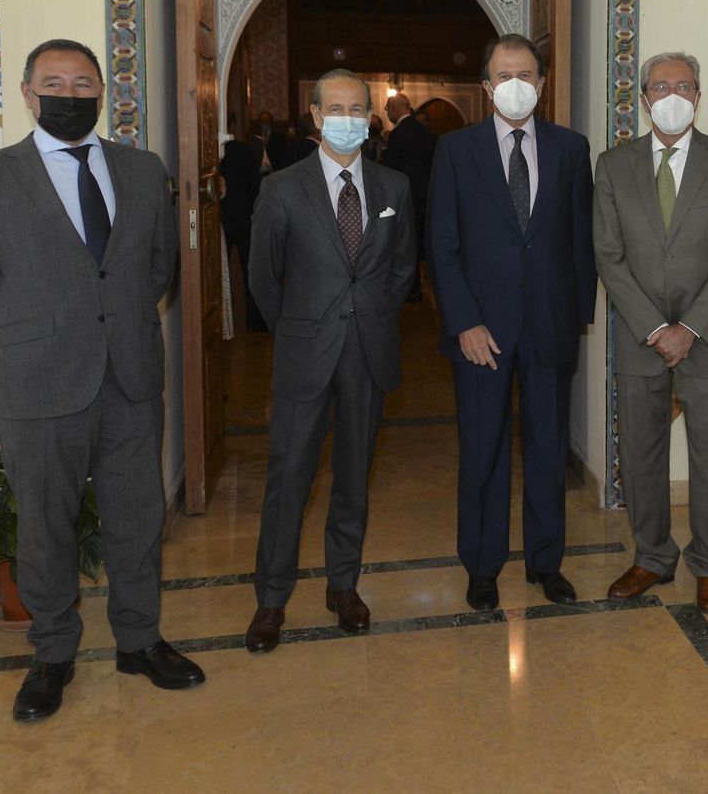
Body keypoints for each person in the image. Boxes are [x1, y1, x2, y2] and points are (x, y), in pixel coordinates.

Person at [0, 38, 203, 721]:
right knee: (46, 526)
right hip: (38, 385)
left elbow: (155, 270)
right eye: (54, 82)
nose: (70, 95)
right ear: (27, 93)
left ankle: (140, 641)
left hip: (130, 379)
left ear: (101, 92)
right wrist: (20, 348)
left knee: (138, 521)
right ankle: (53, 654)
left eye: (84, 83)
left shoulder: (143, 171)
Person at [243, 68, 417, 652]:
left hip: (367, 353)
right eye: (334, 108)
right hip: (304, 354)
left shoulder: (394, 188)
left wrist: (370, 312)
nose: (346, 118)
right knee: (288, 479)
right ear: (316, 117)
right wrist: (294, 328)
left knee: (352, 480)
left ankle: (343, 586)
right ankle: (271, 599)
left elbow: (401, 269)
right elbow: (262, 277)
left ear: (369, 116)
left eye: (356, 109)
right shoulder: (282, 189)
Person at [428, 34, 596, 611]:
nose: (516, 84)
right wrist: (464, 323)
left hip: (549, 325)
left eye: (526, 74)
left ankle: (546, 562)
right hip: (482, 332)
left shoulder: (573, 149)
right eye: (504, 75)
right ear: (486, 86)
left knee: (548, 448)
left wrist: (578, 318)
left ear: (543, 83)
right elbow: (442, 247)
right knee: (483, 449)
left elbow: (580, 240)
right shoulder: (455, 151)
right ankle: (481, 564)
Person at [593, 51, 708, 615]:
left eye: (684, 86)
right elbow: (609, 258)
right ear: (642, 99)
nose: (672, 96)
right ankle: (653, 557)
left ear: (700, 96)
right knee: (641, 454)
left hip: (706, 338)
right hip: (640, 337)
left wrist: (687, 327)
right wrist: (655, 328)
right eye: (660, 87)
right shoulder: (612, 165)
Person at [382, 93, 437, 300]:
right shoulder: (426, 133)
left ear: (395, 109)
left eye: (388, 109)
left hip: (406, 197)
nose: (388, 113)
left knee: (405, 244)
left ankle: (410, 288)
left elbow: (392, 170)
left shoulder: (399, 134)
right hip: (425, 195)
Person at [219, 135, 265, 330]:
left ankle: (222, 324)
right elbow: (255, 184)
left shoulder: (207, 150)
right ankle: (256, 323)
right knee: (250, 271)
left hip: (220, 217)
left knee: (219, 273)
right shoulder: (242, 150)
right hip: (244, 217)